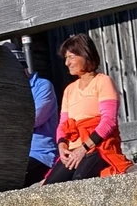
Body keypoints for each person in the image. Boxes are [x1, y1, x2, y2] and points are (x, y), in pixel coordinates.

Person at [43, 34, 131, 185]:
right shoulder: (70, 90)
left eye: (71, 57)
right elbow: (63, 124)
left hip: (98, 147)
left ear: (85, 54)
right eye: (66, 58)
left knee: (80, 181)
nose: (67, 63)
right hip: (74, 148)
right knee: (50, 186)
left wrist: (83, 148)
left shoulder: (103, 82)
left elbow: (108, 122)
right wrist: (62, 145)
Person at [17, 43, 59, 186]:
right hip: (14, 155)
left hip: (41, 155)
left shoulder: (43, 86)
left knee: (15, 179)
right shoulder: (7, 90)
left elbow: (34, 119)